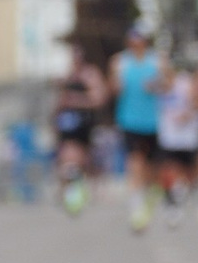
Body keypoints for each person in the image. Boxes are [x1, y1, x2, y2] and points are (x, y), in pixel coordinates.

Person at [112, 29, 164, 233]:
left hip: (152, 122)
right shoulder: (120, 62)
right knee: (135, 163)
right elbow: (113, 88)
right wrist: (117, 85)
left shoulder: (157, 61)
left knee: (150, 170)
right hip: (129, 121)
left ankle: (147, 200)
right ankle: (136, 208)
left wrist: (156, 84)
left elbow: (168, 84)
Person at [53, 54, 105, 214]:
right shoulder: (68, 75)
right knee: (67, 157)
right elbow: (60, 101)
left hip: (84, 122)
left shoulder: (90, 74)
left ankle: (80, 190)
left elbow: (98, 99)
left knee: (82, 158)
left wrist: (77, 100)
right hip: (68, 123)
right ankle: (71, 193)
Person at [155, 57, 198, 221]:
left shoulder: (185, 83)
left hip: (188, 137)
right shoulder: (159, 85)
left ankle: (187, 192)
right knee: (167, 168)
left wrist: (188, 113)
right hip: (168, 137)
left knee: (189, 171)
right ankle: (170, 199)